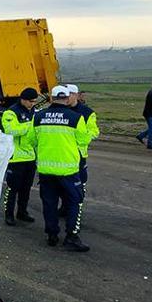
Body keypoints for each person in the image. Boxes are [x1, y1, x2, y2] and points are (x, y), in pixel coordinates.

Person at [28, 85, 91, 251]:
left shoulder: (38, 117)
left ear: (51, 98)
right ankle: (71, 236)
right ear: (66, 99)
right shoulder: (76, 117)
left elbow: (31, 140)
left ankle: (52, 235)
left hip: (46, 170)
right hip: (68, 171)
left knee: (49, 203)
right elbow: (84, 140)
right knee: (73, 203)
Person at [1, 87, 38, 226]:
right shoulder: (11, 112)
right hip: (16, 158)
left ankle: (22, 212)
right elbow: (11, 130)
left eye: (34, 101)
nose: (33, 104)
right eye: (30, 101)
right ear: (23, 99)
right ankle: (9, 214)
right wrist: (30, 125)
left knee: (26, 188)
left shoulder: (33, 111)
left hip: (30, 157)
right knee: (12, 188)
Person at [67, 84, 100, 232]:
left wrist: (80, 139)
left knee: (78, 186)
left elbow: (94, 132)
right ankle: (65, 208)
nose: (66, 98)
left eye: (69, 95)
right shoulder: (61, 110)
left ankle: (76, 215)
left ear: (76, 95)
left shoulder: (87, 113)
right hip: (64, 155)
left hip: (79, 155)